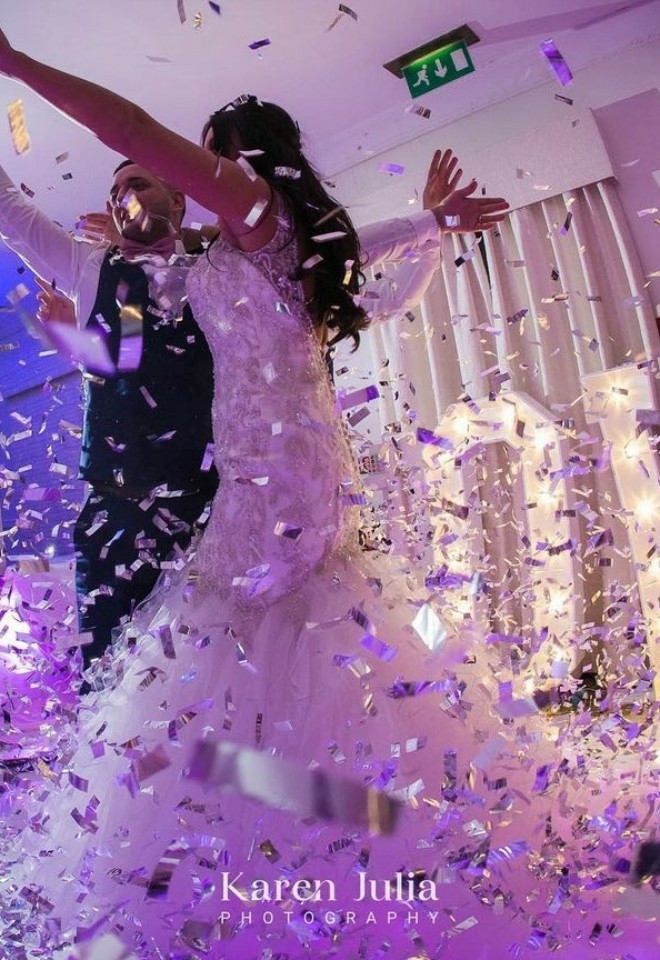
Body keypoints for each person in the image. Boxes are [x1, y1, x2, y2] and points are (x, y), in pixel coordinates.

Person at [0, 33, 516, 960]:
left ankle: (241, 859)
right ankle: (307, 838)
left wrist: (18, 65)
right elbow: (120, 358)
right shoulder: (189, 260)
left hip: (243, 503)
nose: (157, 181)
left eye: (173, 168)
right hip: (212, 501)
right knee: (255, 675)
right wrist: (430, 224)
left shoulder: (229, 232)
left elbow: (134, 129)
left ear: (218, 169)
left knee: (214, 682)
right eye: (134, 181)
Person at [0, 146, 475, 675]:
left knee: (217, 681)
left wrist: (432, 230)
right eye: (114, 194)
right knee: (110, 688)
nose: (122, 198)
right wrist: (72, 343)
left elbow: (366, 278)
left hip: (221, 517)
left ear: (178, 202)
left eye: (137, 184)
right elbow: (121, 364)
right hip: (120, 518)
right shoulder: (92, 270)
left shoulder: (226, 278)